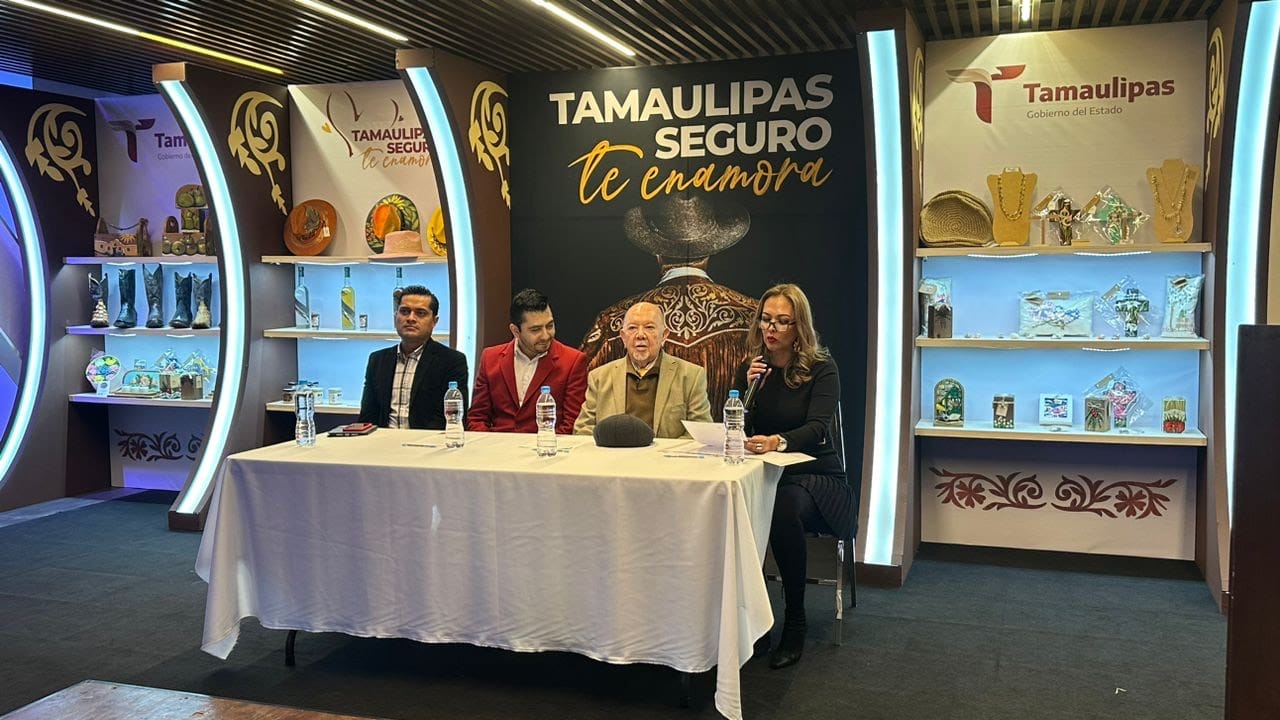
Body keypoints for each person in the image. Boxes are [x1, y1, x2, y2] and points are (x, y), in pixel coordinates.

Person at [733, 283, 853, 670]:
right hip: (768, 473)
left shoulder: (821, 368)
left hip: (817, 475)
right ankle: (753, 618)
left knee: (783, 506)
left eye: (782, 321)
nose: (772, 329)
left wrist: (778, 441)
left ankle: (795, 620)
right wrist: (744, 389)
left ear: (799, 326)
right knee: (736, 500)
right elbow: (736, 426)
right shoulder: (754, 368)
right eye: (766, 320)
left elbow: (818, 428)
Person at [578, 194, 758, 420]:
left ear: (657, 254)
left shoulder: (614, 319)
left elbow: (581, 394)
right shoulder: (753, 316)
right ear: (710, 252)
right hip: (728, 439)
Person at [574, 301, 712, 438]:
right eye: (632, 328)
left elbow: (701, 431)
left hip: (665, 453)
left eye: (649, 327)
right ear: (623, 337)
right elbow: (582, 429)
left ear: (664, 335)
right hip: (613, 452)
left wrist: (662, 450)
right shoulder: (599, 377)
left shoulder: (691, 376)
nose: (640, 335)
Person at [467, 288, 588, 433]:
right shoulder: (490, 358)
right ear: (515, 331)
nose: (546, 335)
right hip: (497, 444)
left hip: (547, 444)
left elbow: (572, 424)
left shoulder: (573, 361)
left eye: (550, 326)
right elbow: (477, 418)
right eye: (536, 330)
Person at [358, 285, 468, 429]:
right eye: (404, 311)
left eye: (420, 313)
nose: (410, 318)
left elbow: (451, 418)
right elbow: (367, 417)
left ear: (434, 321)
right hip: (383, 439)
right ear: (395, 316)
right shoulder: (377, 360)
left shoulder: (452, 361)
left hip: (429, 440)